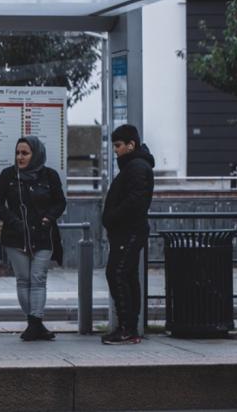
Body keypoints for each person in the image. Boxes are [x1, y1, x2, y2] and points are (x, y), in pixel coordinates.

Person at [0, 136, 66, 342]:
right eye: (18, 153)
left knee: (38, 279)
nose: (20, 157)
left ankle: (34, 323)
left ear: (36, 154)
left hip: (43, 234)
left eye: (25, 153)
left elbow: (60, 202)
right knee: (23, 280)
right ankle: (35, 324)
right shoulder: (8, 175)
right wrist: (13, 220)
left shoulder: (50, 176)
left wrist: (48, 217)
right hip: (16, 236)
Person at [100, 124, 154, 345]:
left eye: (119, 145)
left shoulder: (137, 167)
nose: (115, 150)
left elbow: (136, 201)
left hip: (129, 231)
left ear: (131, 145)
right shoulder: (134, 166)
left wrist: (112, 216)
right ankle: (129, 327)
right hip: (128, 231)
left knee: (118, 273)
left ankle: (127, 328)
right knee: (126, 276)